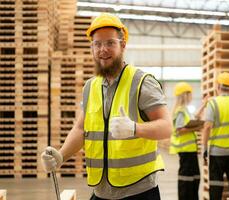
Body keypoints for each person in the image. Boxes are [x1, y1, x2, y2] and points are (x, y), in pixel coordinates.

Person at [41, 13, 172, 200]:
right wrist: (60, 156)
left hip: (139, 191)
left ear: (123, 45)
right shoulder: (90, 87)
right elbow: (80, 129)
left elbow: (167, 127)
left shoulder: (141, 82)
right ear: (92, 48)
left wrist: (136, 128)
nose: (103, 49)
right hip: (101, 191)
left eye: (110, 43)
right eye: (97, 44)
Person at [202, 72, 229, 200]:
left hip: (217, 152)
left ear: (218, 86)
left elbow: (207, 127)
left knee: (216, 186)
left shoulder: (213, 103)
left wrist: (204, 149)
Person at [169, 82, 209, 200]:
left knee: (194, 178)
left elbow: (194, 118)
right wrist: (198, 127)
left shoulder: (184, 110)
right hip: (185, 151)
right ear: (185, 95)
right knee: (186, 181)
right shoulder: (180, 111)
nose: (191, 96)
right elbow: (180, 129)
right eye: (190, 94)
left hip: (190, 151)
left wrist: (203, 105)